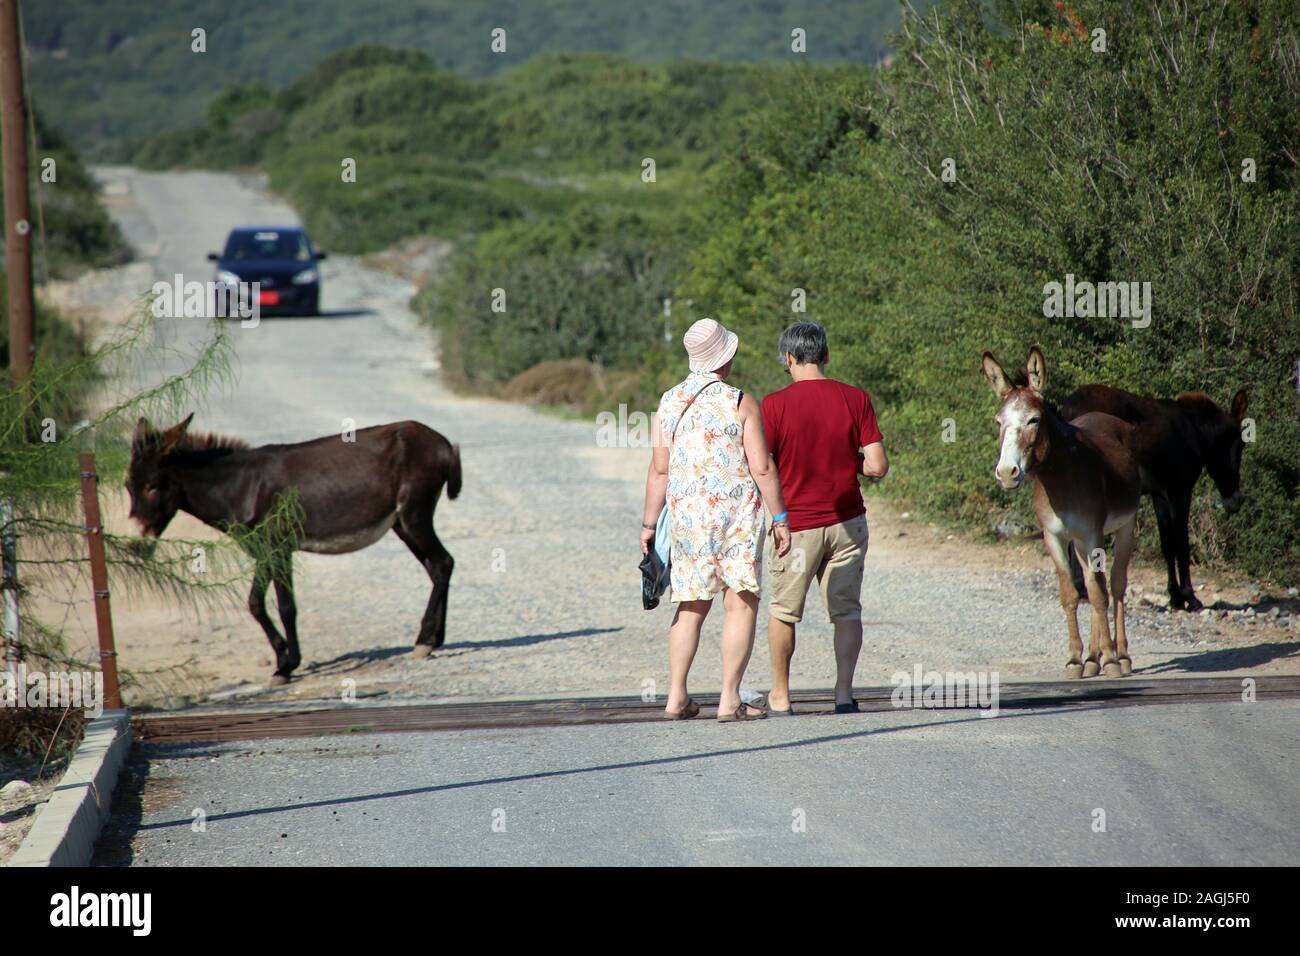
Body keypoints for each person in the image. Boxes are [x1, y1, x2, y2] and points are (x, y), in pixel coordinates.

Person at [641, 318, 792, 722]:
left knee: (690, 605)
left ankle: (675, 697)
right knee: (740, 604)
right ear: (726, 358)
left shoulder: (669, 400)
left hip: (688, 520)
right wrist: (780, 517)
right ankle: (729, 700)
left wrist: (649, 524)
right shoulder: (740, 401)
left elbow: (659, 470)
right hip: (737, 518)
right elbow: (761, 467)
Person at [761, 322, 888, 715]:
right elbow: (878, 466)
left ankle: (781, 695)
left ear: (788, 358)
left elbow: (763, 466)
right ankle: (844, 694)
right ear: (826, 356)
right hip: (848, 522)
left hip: (796, 526)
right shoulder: (856, 398)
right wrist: (848, 460)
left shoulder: (774, 405)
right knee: (847, 610)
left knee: (784, 611)